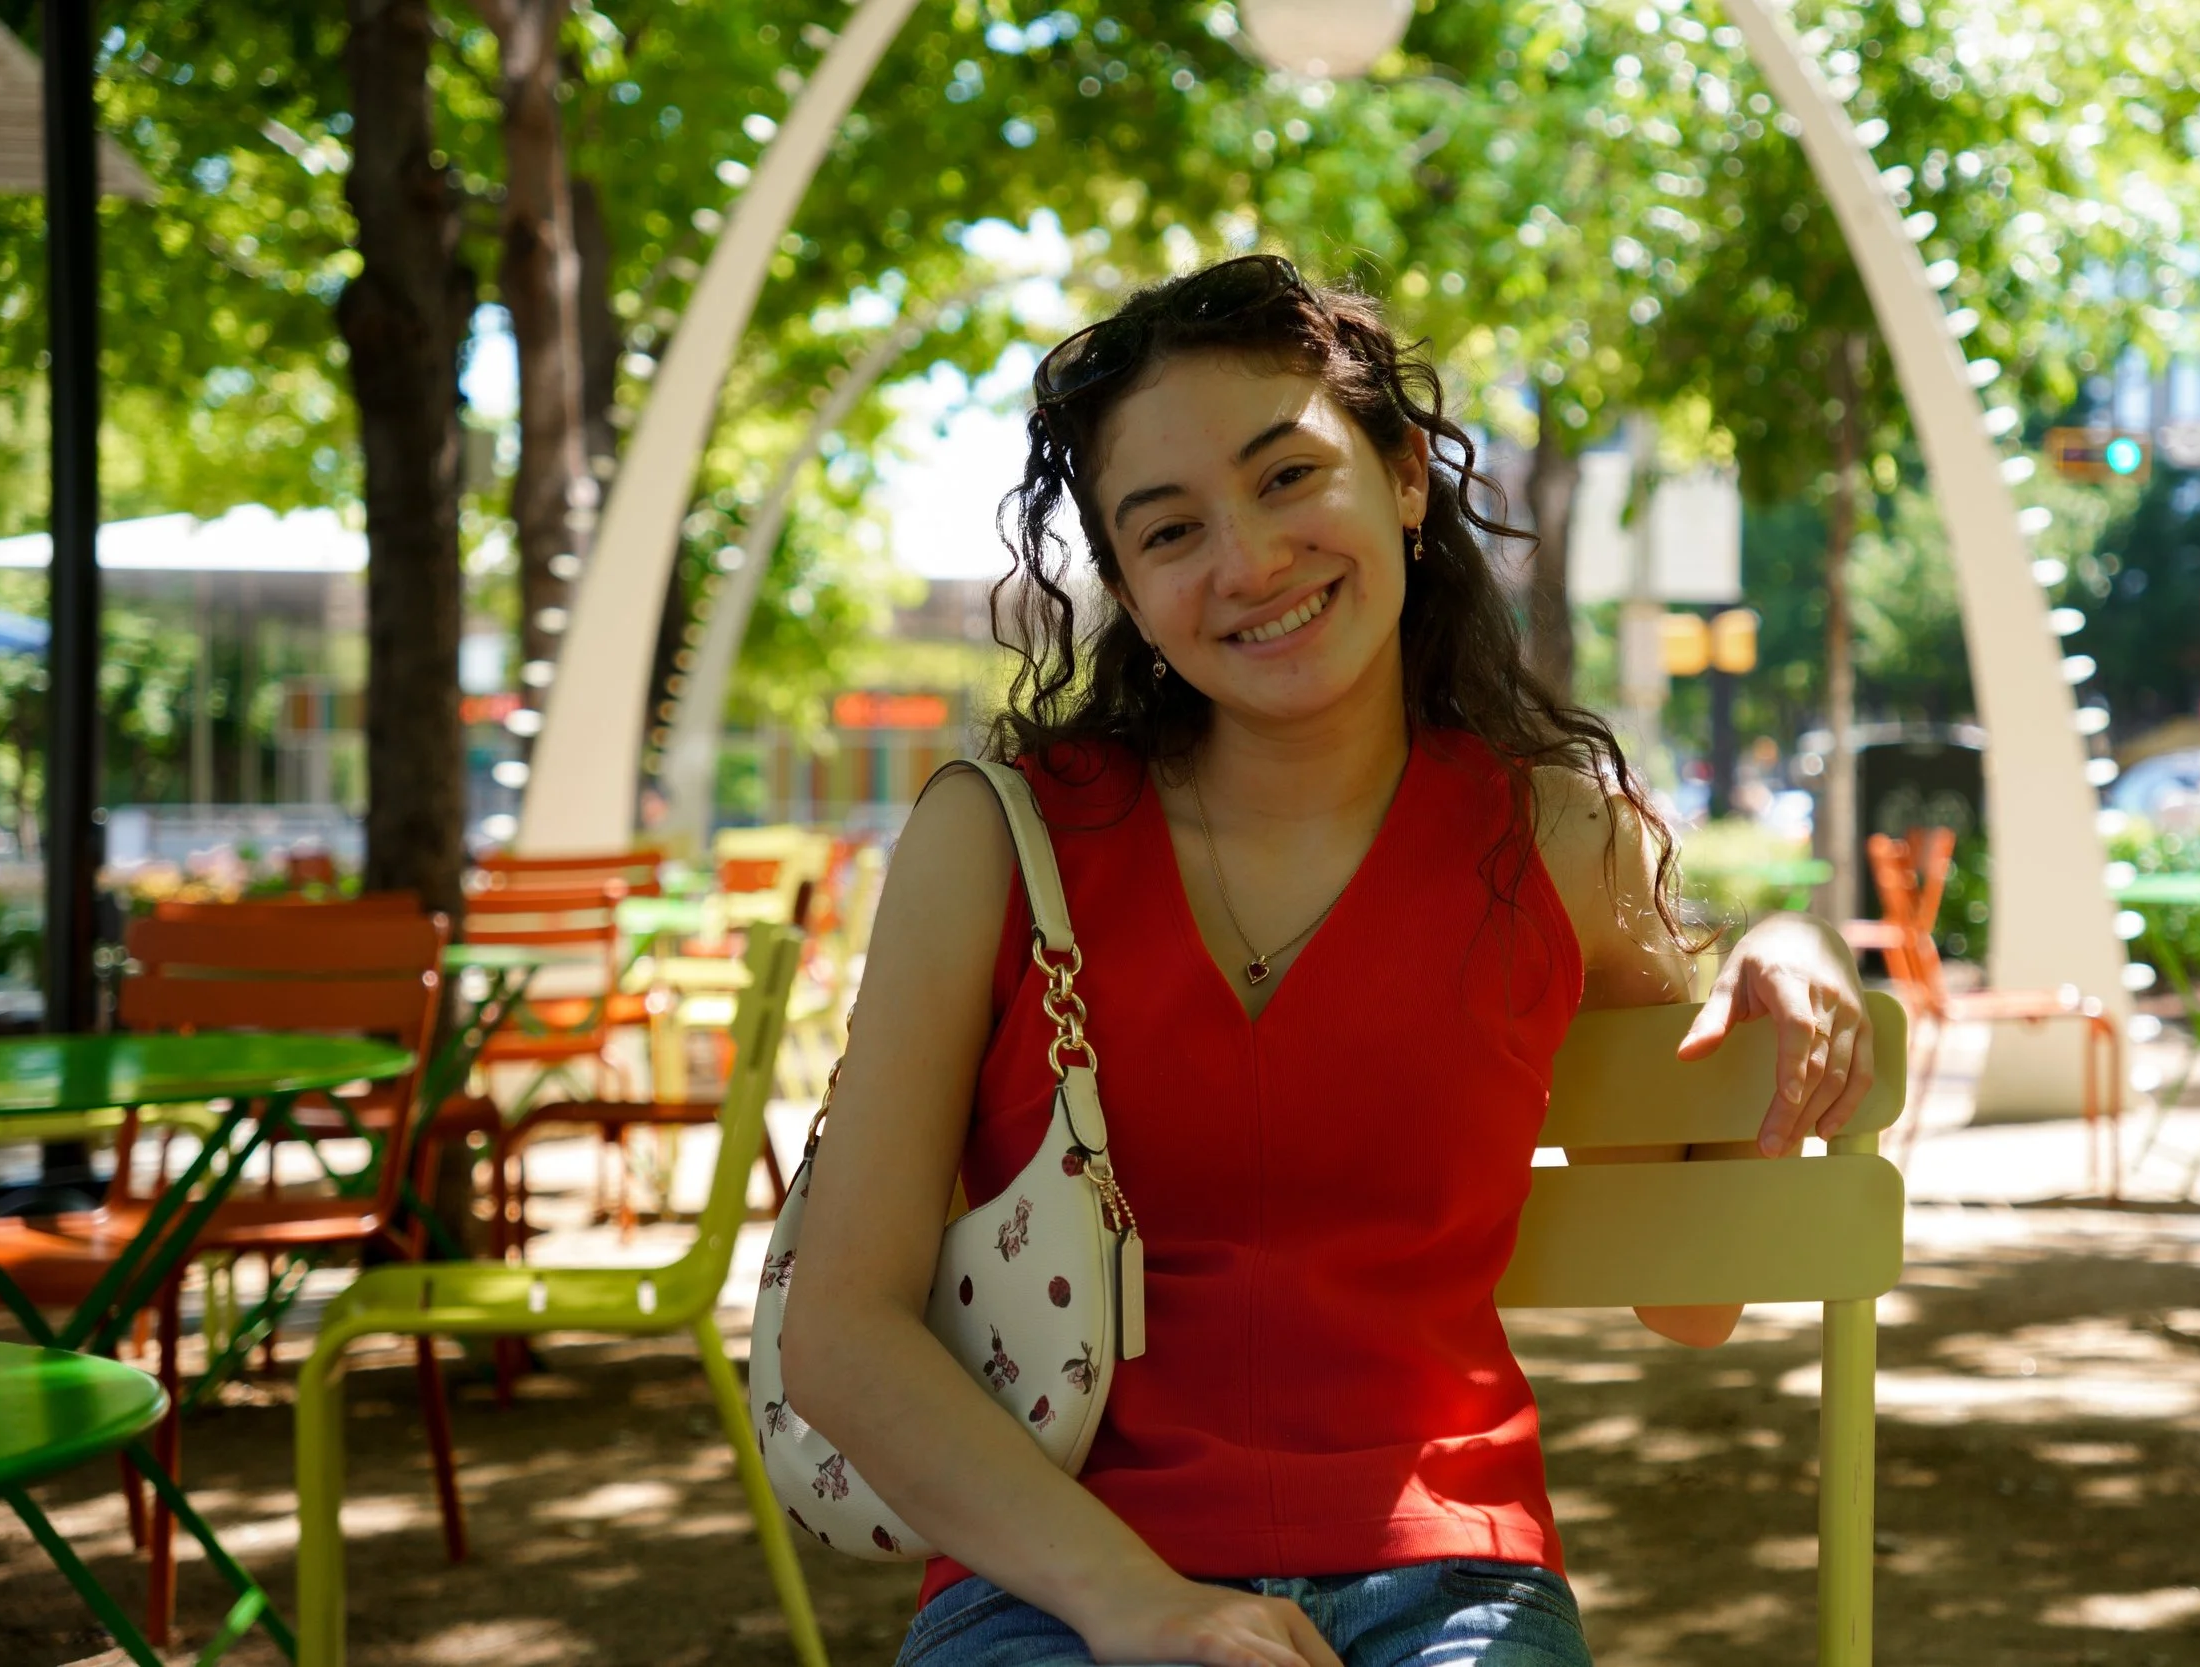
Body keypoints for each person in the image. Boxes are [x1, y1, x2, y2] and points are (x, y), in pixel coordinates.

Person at [782, 255, 1875, 1667]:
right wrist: (1140, 1604)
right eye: (1168, 531)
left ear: (1406, 477)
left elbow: (1693, 1293)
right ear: (1124, 582)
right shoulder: (996, 838)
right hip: (1052, 1579)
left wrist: (1786, 944)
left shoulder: (1553, 839)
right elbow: (841, 1332)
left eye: (1287, 477)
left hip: (1449, 1580)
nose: (1247, 562)